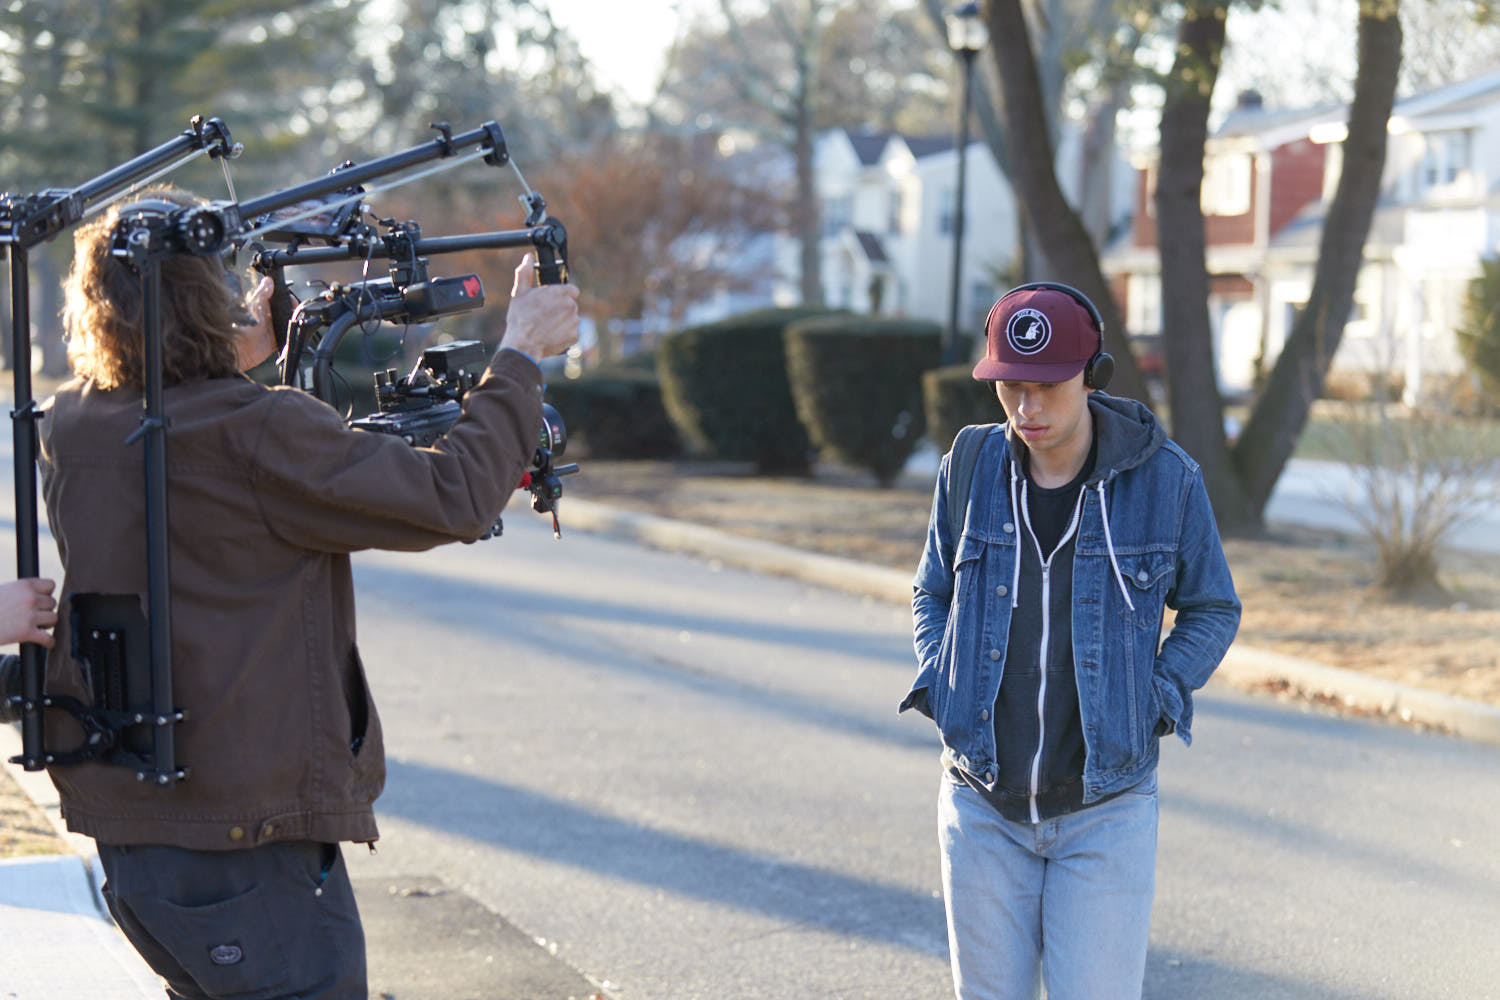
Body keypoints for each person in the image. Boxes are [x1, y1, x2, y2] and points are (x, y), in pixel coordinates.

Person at [33, 186, 578, 999]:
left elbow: (177, 437)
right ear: (209, 298)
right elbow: (456, 496)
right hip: (247, 839)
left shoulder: (74, 423)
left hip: (132, 831)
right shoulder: (261, 432)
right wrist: (522, 353)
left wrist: (221, 357)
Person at [903, 282, 1241, 1000]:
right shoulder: (969, 468)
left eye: (1047, 386)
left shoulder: (1165, 480)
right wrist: (942, 678)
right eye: (1011, 386)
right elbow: (933, 590)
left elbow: (1213, 607)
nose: (1027, 407)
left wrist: (1154, 697)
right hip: (980, 804)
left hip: (1106, 811)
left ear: (1092, 374)